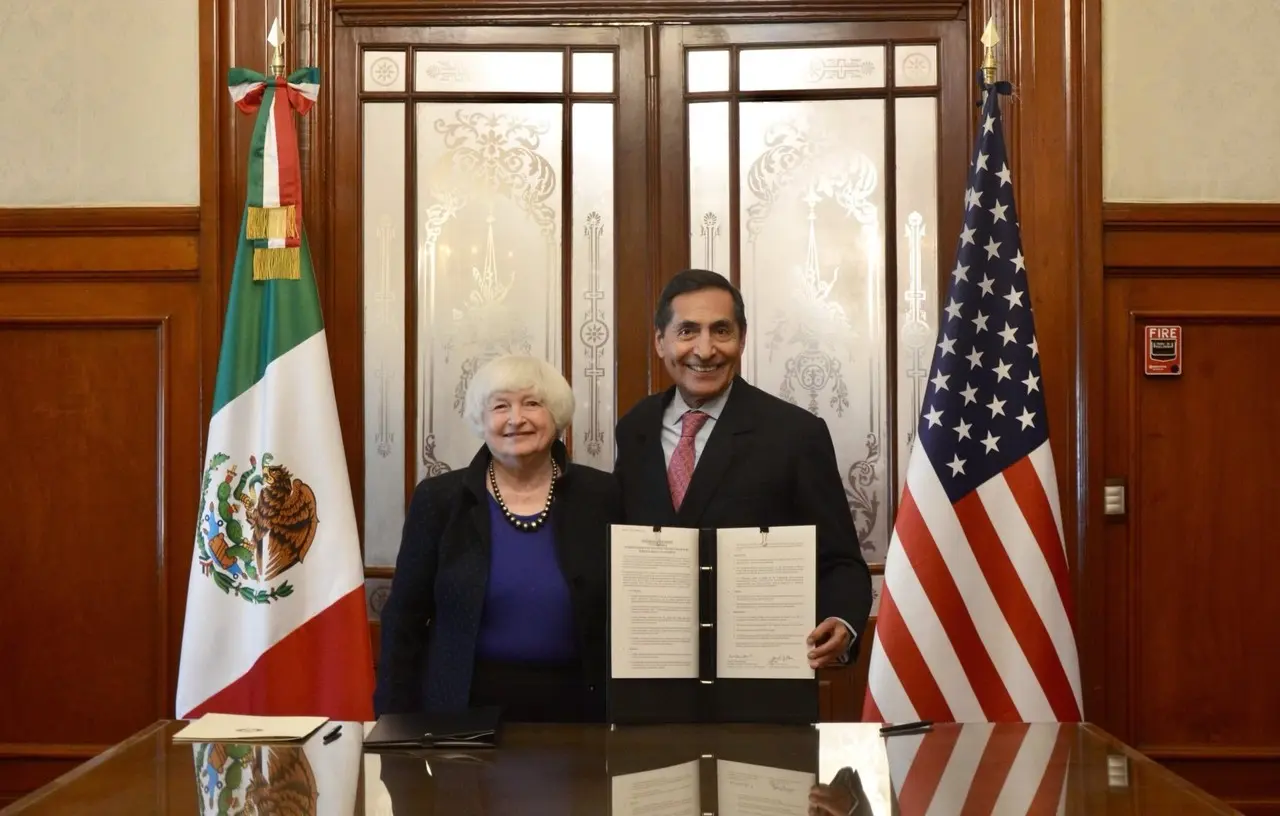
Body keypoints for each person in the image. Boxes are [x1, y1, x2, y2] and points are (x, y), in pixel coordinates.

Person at [614, 268, 873, 668]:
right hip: (653, 674)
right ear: (660, 341)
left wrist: (842, 621)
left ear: (742, 339)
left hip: (761, 681)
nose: (705, 349)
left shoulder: (795, 434)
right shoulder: (635, 430)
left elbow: (841, 561)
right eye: (687, 331)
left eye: (721, 330)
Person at [374, 354, 621, 721]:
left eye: (532, 404)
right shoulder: (438, 499)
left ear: (556, 417)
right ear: (482, 420)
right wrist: (391, 721)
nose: (516, 419)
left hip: (581, 716)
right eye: (500, 406)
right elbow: (404, 619)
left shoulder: (603, 496)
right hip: (460, 715)